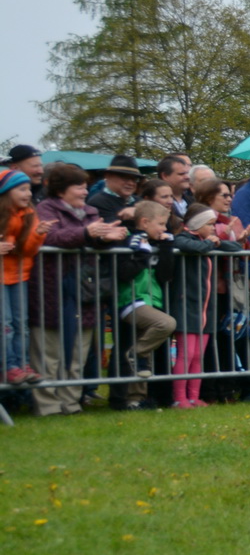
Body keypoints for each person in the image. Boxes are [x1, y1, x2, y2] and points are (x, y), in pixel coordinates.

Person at [27, 164, 127, 416]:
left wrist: (106, 237)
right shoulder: (45, 209)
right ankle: (48, 405)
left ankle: (70, 403)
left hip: (85, 291)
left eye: (85, 186)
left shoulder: (91, 212)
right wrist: (86, 233)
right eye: (79, 187)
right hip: (51, 289)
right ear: (61, 190)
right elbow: (49, 238)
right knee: (49, 352)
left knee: (78, 353)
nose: (84, 191)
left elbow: (93, 241)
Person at [165, 208, 242, 408]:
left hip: (206, 309)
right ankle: (179, 398)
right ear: (196, 225)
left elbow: (236, 247)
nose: (213, 228)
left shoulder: (208, 242)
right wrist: (211, 243)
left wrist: (218, 242)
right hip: (187, 306)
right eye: (209, 224)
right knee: (186, 354)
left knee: (198, 355)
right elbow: (190, 246)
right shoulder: (183, 239)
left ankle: (194, 396)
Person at [112, 201, 178, 410]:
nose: (164, 229)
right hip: (131, 300)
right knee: (166, 324)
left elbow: (165, 276)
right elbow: (124, 273)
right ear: (144, 222)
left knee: (145, 354)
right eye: (161, 224)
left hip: (152, 300)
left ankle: (136, 399)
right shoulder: (131, 241)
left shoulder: (157, 242)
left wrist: (166, 248)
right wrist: (142, 255)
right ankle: (135, 354)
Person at [1, 169, 46, 385]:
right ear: (6, 191)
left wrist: (38, 234)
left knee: (21, 324)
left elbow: (26, 250)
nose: (28, 194)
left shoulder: (29, 213)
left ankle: (22, 364)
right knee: (5, 325)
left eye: (29, 189)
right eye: (22, 189)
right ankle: (8, 366)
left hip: (19, 275)